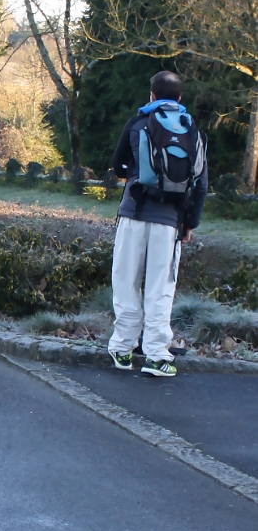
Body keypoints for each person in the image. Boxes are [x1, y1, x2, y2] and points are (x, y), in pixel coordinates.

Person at [109, 71, 208, 377]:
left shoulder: (138, 123)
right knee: (160, 288)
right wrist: (189, 223)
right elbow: (200, 183)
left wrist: (136, 174)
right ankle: (156, 356)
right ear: (180, 98)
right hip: (170, 222)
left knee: (126, 280)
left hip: (134, 213)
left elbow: (117, 166)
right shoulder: (192, 131)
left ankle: (122, 349)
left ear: (151, 95)